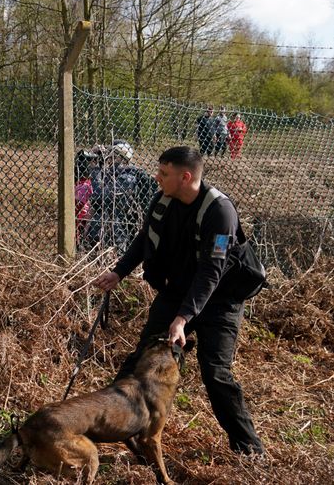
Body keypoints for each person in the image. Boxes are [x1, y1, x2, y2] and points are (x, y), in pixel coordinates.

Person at [93, 146, 264, 456]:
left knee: (215, 371)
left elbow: (212, 271)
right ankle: (106, 425)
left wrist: (183, 318)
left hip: (220, 301)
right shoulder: (163, 201)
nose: (157, 178)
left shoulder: (220, 212)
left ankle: (249, 448)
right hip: (178, 292)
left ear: (185, 177)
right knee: (140, 359)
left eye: (164, 173)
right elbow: (145, 238)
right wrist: (118, 272)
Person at [85, 140, 157, 253]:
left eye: (111, 154)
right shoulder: (110, 174)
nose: (107, 157)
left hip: (118, 236)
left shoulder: (128, 177)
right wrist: (94, 161)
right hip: (105, 232)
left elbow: (101, 197)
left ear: (120, 156)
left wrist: (95, 170)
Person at [73, 148, 101, 248]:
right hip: (82, 224)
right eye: (92, 162)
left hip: (86, 222)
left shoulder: (87, 182)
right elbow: (77, 208)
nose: (95, 164)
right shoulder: (85, 185)